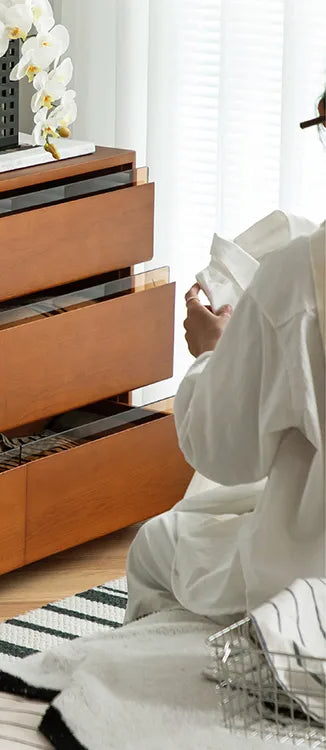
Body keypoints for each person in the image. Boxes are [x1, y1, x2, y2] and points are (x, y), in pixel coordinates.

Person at [125, 218, 325, 624]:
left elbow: (221, 452)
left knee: (155, 544)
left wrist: (211, 352)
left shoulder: (299, 274)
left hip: (307, 584)